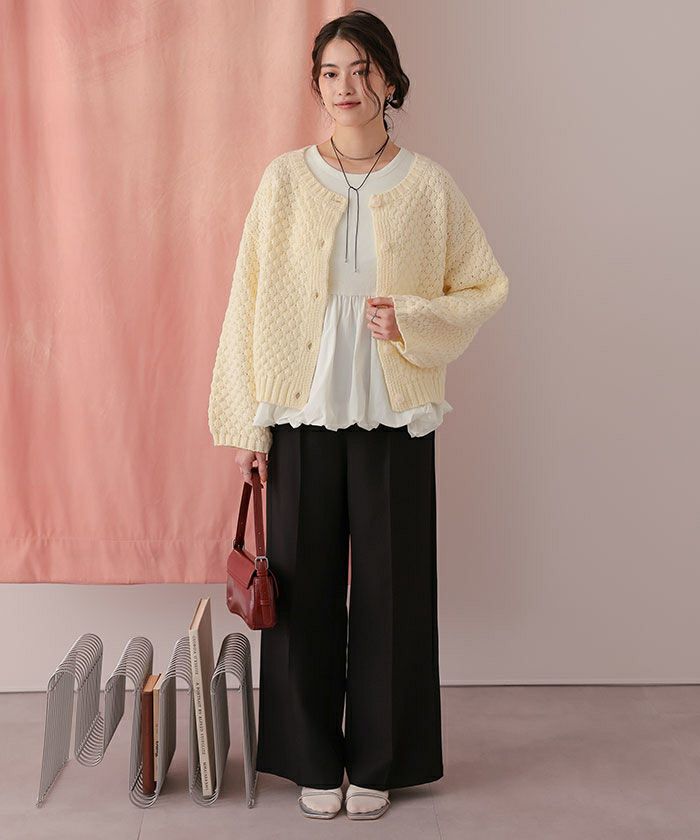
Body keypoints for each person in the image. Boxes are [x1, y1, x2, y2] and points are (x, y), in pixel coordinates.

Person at [208, 9, 509, 821]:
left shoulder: (428, 185)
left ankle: (379, 760)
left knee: (392, 590)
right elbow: (247, 301)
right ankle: (312, 758)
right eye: (331, 73)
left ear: (390, 79)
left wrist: (412, 318)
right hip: (299, 411)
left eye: (362, 69)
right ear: (317, 85)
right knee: (302, 591)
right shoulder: (283, 180)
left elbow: (484, 285)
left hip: (393, 414)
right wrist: (246, 425)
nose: (346, 86)